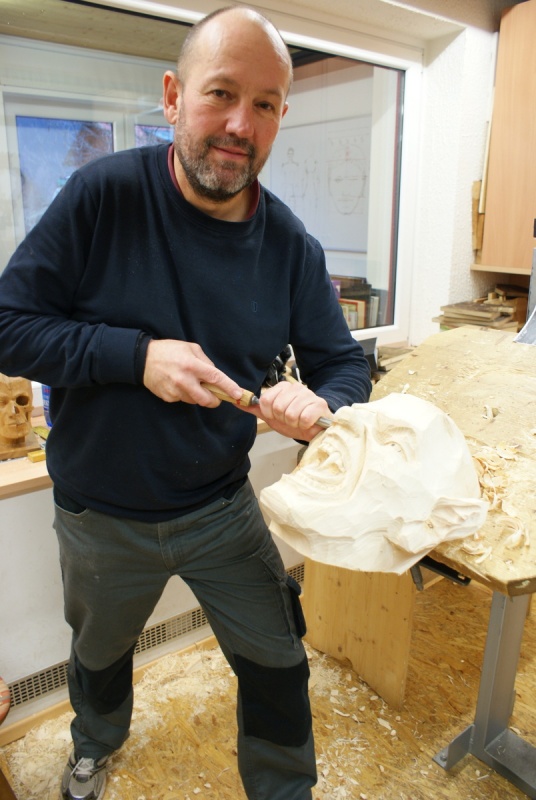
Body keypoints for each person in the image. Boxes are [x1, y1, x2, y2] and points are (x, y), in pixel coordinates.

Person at [0, 7, 372, 800]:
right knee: (99, 654)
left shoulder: (291, 247)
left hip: (221, 509)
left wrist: (321, 401)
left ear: (280, 117)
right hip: (100, 515)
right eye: (221, 94)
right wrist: (135, 357)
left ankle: (284, 790)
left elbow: (345, 363)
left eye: (265, 104)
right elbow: (9, 328)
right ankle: (94, 745)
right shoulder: (101, 196)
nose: (240, 124)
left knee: (278, 658)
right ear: (173, 97)